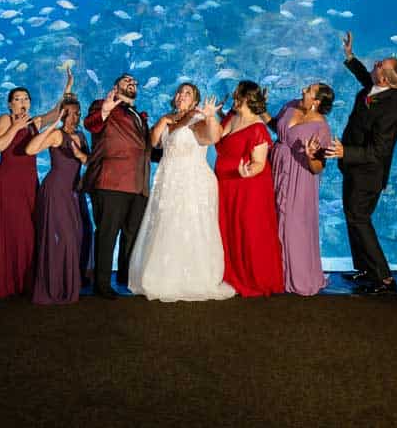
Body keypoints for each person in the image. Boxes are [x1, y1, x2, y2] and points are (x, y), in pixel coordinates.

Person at [128, 83, 235, 302]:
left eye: (187, 93)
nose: (181, 95)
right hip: (168, 180)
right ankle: (162, 275)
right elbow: (154, 142)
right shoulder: (168, 117)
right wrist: (162, 122)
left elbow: (212, 137)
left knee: (189, 226)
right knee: (164, 226)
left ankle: (192, 277)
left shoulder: (196, 119)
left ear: (195, 101)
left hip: (192, 181)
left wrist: (211, 117)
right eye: (179, 92)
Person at [326, 31, 397, 297]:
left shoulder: (394, 108)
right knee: (352, 217)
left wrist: (344, 151)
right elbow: (366, 78)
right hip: (353, 167)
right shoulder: (378, 87)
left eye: (379, 66)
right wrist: (351, 57)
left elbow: (379, 151)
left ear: (384, 78)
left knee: (360, 219)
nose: (375, 64)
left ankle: (384, 278)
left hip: (368, 172)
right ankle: (364, 269)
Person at [0, 75, 70, 299]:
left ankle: (25, 280)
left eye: (25, 99)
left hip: (28, 182)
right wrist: (16, 127)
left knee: (28, 231)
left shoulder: (35, 122)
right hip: (7, 182)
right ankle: (6, 282)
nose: (22, 102)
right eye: (17, 99)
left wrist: (68, 87)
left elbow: (55, 111)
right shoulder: (5, 119)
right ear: (10, 103)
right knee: (10, 229)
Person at [83, 74, 152, 299]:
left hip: (139, 184)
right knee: (108, 233)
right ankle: (101, 284)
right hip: (111, 181)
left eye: (134, 81)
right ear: (115, 87)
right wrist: (104, 110)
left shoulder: (141, 117)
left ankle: (125, 277)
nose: (131, 82)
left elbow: (147, 149)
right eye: (126, 80)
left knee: (132, 233)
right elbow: (91, 124)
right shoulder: (103, 106)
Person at [264, 82, 334, 296]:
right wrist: (261, 110)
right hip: (277, 168)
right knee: (274, 220)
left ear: (317, 101)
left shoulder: (322, 129)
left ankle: (299, 277)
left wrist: (312, 155)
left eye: (309, 90)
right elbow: (278, 127)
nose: (303, 90)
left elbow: (318, 168)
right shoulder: (291, 105)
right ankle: (276, 275)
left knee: (295, 225)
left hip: (300, 176)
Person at [215, 80, 284, 297]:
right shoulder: (231, 117)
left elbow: (259, 163)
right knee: (228, 229)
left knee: (248, 230)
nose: (234, 97)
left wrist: (248, 172)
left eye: (237, 94)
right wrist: (209, 115)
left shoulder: (257, 128)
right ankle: (230, 274)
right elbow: (216, 136)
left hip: (248, 187)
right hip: (226, 185)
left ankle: (253, 278)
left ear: (245, 97)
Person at [26, 96, 89, 304]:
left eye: (77, 112)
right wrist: (53, 124)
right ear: (63, 115)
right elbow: (30, 149)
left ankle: (68, 284)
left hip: (73, 193)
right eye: (69, 113)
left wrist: (81, 156)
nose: (75, 116)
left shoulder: (81, 135)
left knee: (76, 237)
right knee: (61, 239)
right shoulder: (56, 135)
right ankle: (54, 287)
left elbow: (89, 161)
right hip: (55, 192)